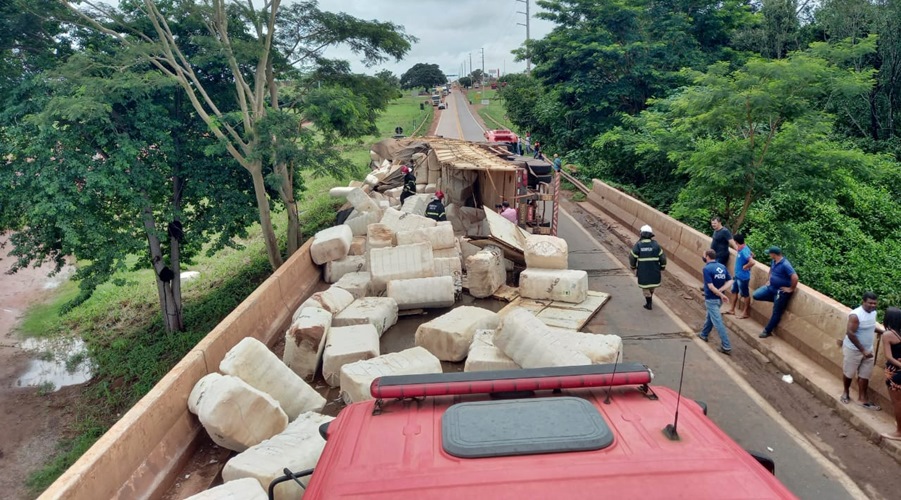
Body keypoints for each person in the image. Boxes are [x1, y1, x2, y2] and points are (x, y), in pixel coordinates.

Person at [840, 292, 884, 410]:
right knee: (849, 373)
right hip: (853, 349)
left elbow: (869, 326)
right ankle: (845, 392)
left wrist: (881, 331)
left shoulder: (873, 313)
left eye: (875, 303)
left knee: (865, 375)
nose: (872, 305)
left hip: (868, 349)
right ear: (863, 302)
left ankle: (863, 398)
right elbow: (850, 333)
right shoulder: (855, 315)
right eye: (870, 303)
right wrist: (862, 350)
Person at [753, 246, 798, 338]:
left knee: (776, 312)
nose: (769, 255)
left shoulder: (785, 264)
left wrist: (791, 289)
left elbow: (795, 277)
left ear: (774, 254)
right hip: (771, 287)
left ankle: (767, 331)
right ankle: (778, 301)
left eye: (770, 253)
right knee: (756, 295)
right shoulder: (774, 261)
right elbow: (771, 270)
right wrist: (769, 279)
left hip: (780, 291)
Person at [698, 249, 734, 355]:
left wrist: (720, 293)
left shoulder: (707, 269)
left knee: (718, 322)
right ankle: (704, 334)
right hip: (718, 300)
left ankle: (726, 346)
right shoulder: (722, 267)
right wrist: (722, 291)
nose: (703, 257)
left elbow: (710, 286)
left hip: (711, 299)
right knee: (710, 317)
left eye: (704, 255)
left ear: (708, 257)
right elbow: (731, 280)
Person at [629, 225, 667, 311]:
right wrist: (662, 267)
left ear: (641, 234)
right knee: (652, 286)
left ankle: (648, 303)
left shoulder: (638, 245)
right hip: (655, 270)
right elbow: (663, 258)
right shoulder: (656, 245)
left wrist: (633, 266)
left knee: (645, 287)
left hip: (643, 271)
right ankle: (650, 299)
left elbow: (632, 257)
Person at [881, 306, 901, 440]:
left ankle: (899, 432)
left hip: (895, 373)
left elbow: (889, 356)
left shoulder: (887, 335)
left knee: (897, 402)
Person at [724, 233, 755, 319]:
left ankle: (745, 312)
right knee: (734, 291)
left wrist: (746, 266)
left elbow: (752, 262)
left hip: (743, 277)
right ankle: (732, 309)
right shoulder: (741, 249)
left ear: (736, 241)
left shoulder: (744, 251)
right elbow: (752, 255)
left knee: (745, 294)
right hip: (737, 275)